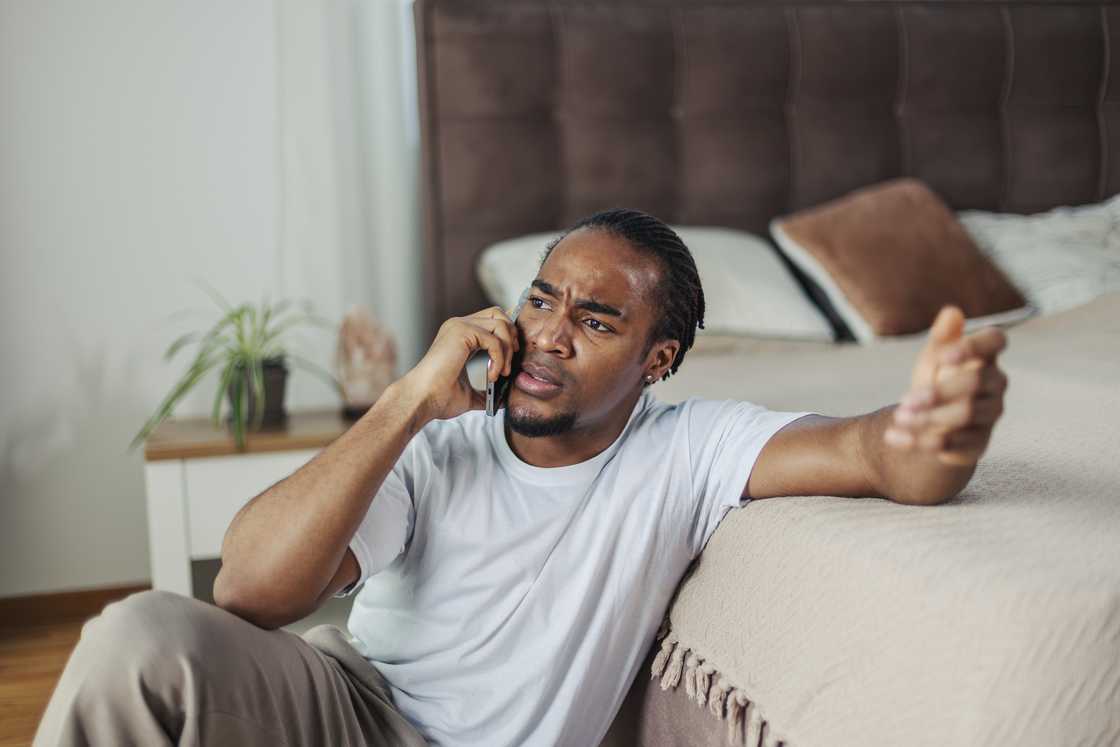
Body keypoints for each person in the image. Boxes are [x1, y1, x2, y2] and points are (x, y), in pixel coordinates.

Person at [35, 208, 1009, 746]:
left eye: (595, 319)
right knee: (139, 636)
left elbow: (873, 454)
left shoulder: (687, 450)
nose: (548, 332)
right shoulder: (437, 441)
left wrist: (932, 427)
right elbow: (247, 590)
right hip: (350, 706)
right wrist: (410, 399)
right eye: (542, 298)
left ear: (658, 361)